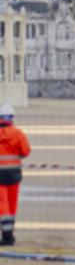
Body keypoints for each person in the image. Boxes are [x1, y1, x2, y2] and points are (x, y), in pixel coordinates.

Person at [0, 105, 29, 247]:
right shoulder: (18, 134)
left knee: (2, 205)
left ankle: (6, 236)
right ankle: (9, 234)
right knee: (11, 206)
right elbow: (25, 151)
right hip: (14, 175)